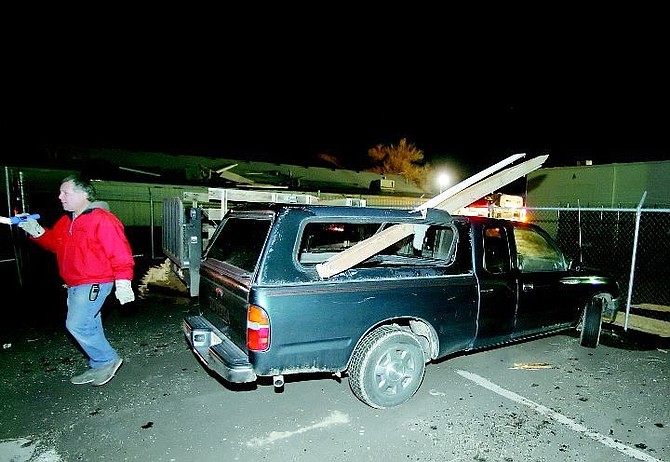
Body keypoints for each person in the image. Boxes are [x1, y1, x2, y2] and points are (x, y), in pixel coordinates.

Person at [18, 173, 135, 386]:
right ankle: (97, 365)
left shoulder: (102, 219)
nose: (60, 196)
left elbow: (119, 251)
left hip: (95, 282)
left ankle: (107, 359)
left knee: (77, 325)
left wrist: (123, 281)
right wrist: (35, 230)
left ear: (83, 194)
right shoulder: (66, 221)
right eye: (60, 192)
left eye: (65, 192)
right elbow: (54, 244)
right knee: (90, 324)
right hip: (74, 284)